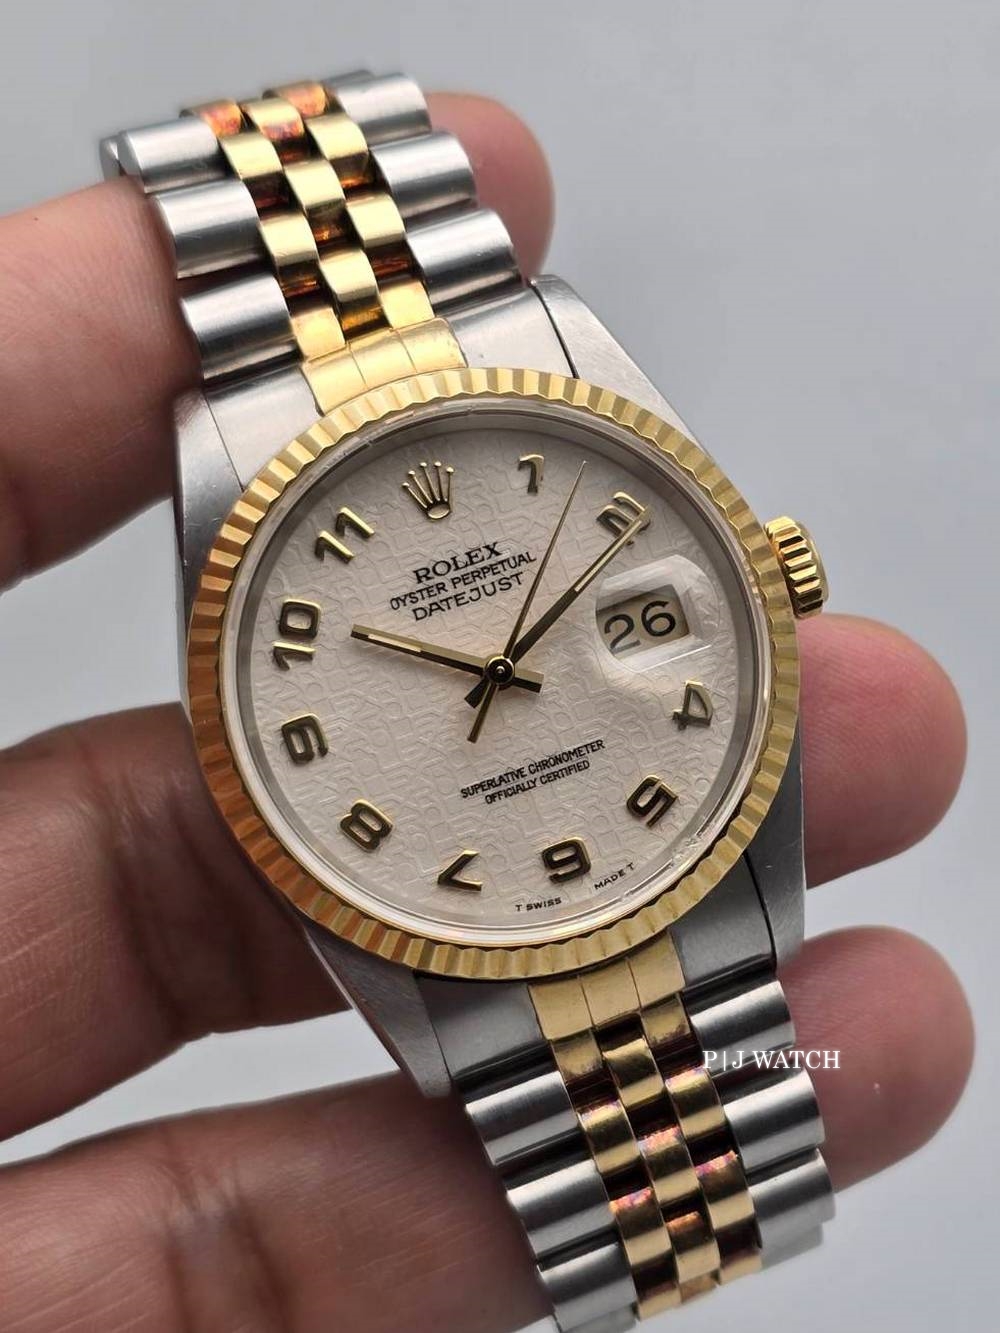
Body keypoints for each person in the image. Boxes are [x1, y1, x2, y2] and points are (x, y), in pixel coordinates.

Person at [0, 93, 973, 1330]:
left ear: (766, 572)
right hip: (472, 912)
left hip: (639, 859)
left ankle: (689, 1231)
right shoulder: (255, 445)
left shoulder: (538, 358)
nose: (499, 677)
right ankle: (673, 1238)